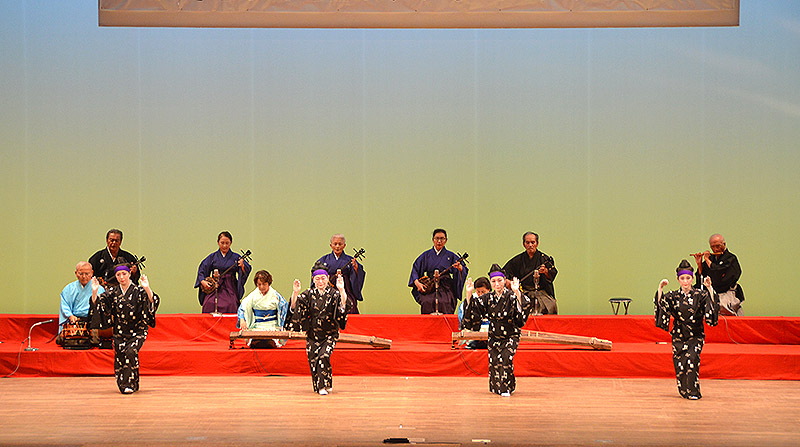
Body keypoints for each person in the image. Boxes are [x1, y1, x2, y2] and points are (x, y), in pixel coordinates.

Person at [462, 264, 532, 397]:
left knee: (506, 359)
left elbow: (525, 305)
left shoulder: (511, 296)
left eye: (499, 280)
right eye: (493, 281)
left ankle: (505, 388)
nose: (497, 284)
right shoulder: (488, 298)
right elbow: (474, 311)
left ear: (504, 280)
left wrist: (517, 292)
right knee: (494, 361)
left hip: (510, 334)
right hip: (494, 334)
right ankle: (500, 387)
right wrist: (469, 293)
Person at [655, 260, 719, 400]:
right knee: (680, 363)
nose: (685, 281)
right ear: (678, 279)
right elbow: (662, 307)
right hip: (679, 334)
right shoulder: (673, 296)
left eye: (688, 278)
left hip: (695, 334)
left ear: (692, 278)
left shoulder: (700, 294)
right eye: (682, 278)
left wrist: (709, 288)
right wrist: (660, 289)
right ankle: (684, 390)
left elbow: (711, 305)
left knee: (692, 359)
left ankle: (693, 392)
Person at [91, 265, 159, 394]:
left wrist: (147, 288)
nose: (121, 277)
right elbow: (99, 304)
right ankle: (129, 384)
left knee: (131, 352)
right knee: (121, 356)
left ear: (129, 274)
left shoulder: (139, 290)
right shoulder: (113, 292)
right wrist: (94, 292)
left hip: (138, 330)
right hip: (120, 331)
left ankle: (130, 384)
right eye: (118, 275)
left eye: (124, 274)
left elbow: (153, 301)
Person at [287, 261, 351, 395]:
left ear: (328, 278)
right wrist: (295, 292)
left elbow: (343, 306)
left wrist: (341, 289)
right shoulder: (308, 294)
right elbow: (294, 308)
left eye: (323, 278)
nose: (320, 281)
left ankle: (323, 386)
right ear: (313, 280)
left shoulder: (334, 293)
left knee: (324, 356)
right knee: (313, 359)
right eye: (317, 279)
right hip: (313, 334)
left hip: (330, 333)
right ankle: (325, 383)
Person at [408, 228, 468, 314]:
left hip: (445, 287)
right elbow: (416, 268)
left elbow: (463, 269)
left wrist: (460, 268)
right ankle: (428, 327)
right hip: (430, 286)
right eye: (437, 238)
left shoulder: (451, 255)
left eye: (442, 238)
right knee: (426, 302)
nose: (439, 241)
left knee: (445, 302)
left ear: (446, 240)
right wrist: (417, 283)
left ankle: (445, 327)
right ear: (433, 240)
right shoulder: (426, 255)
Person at [195, 231, 252, 314]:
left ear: (231, 243)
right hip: (215, 285)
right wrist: (203, 281)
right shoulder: (212, 257)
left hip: (230, 286)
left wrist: (242, 266)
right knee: (208, 303)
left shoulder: (236, 257)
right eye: (222, 243)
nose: (224, 245)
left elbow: (247, 268)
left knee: (231, 304)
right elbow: (202, 269)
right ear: (218, 242)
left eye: (227, 243)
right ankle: (209, 326)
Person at [503, 232, 558, 315]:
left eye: (533, 242)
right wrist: (508, 281)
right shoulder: (518, 260)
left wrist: (546, 272)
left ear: (537, 243)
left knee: (551, 305)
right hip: (523, 292)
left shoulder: (544, 259)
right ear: (524, 244)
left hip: (540, 293)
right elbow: (505, 272)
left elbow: (552, 273)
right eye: (527, 243)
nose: (530, 245)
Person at [691, 233, 744, 316]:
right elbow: (702, 278)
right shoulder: (712, 258)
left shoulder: (731, 258)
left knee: (721, 307)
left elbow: (718, 271)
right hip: (711, 291)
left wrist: (707, 259)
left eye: (718, 246)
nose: (715, 249)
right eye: (712, 246)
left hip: (726, 292)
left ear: (724, 244)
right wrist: (699, 264)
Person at [237, 270, 289, 348]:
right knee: (255, 342)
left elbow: (284, 308)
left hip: (272, 326)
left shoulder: (275, 296)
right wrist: (242, 319)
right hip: (257, 326)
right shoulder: (253, 296)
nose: (261, 287)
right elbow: (243, 307)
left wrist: (283, 323)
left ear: (269, 283)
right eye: (259, 284)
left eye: (264, 284)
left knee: (270, 343)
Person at [315, 234, 366, 314]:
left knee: (350, 307)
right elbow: (316, 272)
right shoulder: (324, 260)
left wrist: (356, 269)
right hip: (328, 289)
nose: (337, 246)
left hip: (346, 290)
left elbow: (359, 273)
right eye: (335, 244)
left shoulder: (349, 260)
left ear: (344, 245)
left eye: (340, 244)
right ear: (331, 245)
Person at [57, 261, 104, 345]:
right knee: (68, 339)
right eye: (81, 274)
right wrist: (70, 316)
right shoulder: (69, 288)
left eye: (87, 273)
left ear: (92, 273)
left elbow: (101, 309)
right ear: (76, 273)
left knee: (93, 339)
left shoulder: (99, 288)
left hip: (92, 321)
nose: (84, 277)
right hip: (74, 320)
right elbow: (64, 305)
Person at [457, 276, 491, 349]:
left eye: (483, 292)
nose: (480, 294)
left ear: (489, 290)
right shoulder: (473, 300)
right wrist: (468, 293)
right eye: (478, 292)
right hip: (476, 330)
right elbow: (465, 315)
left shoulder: (493, 299)